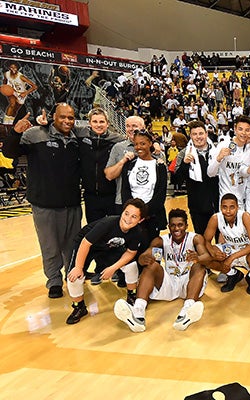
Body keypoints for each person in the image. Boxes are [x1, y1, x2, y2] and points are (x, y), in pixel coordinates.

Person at [3, 104, 82, 298]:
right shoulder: (35, 134)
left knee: (72, 245)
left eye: (71, 118)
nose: (67, 121)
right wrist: (14, 132)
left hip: (71, 202)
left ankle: (72, 275)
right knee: (50, 246)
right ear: (53, 116)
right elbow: (9, 153)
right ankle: (54, 281)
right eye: (63, 117)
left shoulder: (77, 138)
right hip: (44, 204)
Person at [114, 208, 210, 332]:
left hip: (189, 283)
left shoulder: (195, 239)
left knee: (199, 266)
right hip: (170, 283)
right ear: (169, 226)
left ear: (186, 225)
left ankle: (187, 311)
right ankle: (138, 313)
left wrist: (198, 258)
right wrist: (144, 259)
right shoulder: (161, 241)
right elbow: (145, 256)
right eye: (173, 225)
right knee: (151, 266)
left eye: (180, 225)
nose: (177, 229)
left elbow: (207, 258)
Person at [65, 199, 146, 324]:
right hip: (87, 245)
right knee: (74, 277)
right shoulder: (107, 224)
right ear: (122, 212)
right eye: (126, 213)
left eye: (134, 217)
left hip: (109, 247)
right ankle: (79, 307)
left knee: (131, 266)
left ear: (140, 220)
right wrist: (78, 267)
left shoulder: (137, 232)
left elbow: (130, 252)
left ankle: (132, 295)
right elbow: (86, 243)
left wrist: (113, 268)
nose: (128, 219)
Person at [203, 193, 250, 294]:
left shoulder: (245, 216)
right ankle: (233, 274)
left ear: (237, 207)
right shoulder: (215, 218)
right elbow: (206, 241)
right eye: (224, 207)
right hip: (229, 249)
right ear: (220, 207)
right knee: (205, 256)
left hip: (246, 251)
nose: (228, 211)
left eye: (232, 207)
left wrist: (231, 258)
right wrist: (213, 253)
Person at [121, 130, 168, 244]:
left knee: (150, 252)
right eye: (136, 144)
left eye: (142, 144)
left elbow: (160, 194)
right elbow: (125, 189)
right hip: (132, 217)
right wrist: (133, 212)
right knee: (131, 249)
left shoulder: (159, 166)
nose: (139, 147)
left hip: (151, 216)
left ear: (150, 144)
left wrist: (144, 213)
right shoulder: (130, 164)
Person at [173, 120, 220, 235]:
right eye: (194, 134)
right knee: (202, 242)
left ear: (206, 134)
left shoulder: (217, 151)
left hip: (218, 205)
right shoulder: (184, 153)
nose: (198, 137)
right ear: (190, 136)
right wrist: (185, 164)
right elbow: (176, 180)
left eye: (201, 133)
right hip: (198, 208)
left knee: (221, 242)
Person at [207, 115, 250, 206]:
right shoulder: (224, 145)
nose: (243, 133)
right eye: (240, 129)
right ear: (235, 129)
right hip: (227, 199)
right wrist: (219, 158)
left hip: (247, 200)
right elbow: (210, 173)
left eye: (247, 130)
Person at [104, 116, 147, 214]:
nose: (131, 129)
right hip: (122, 201)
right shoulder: (118, 148)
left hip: (146, 201)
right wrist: (122, 161)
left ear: (143, 128)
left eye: (134, 126)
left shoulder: (153, 148)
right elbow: (109, 176)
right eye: (128, 126)